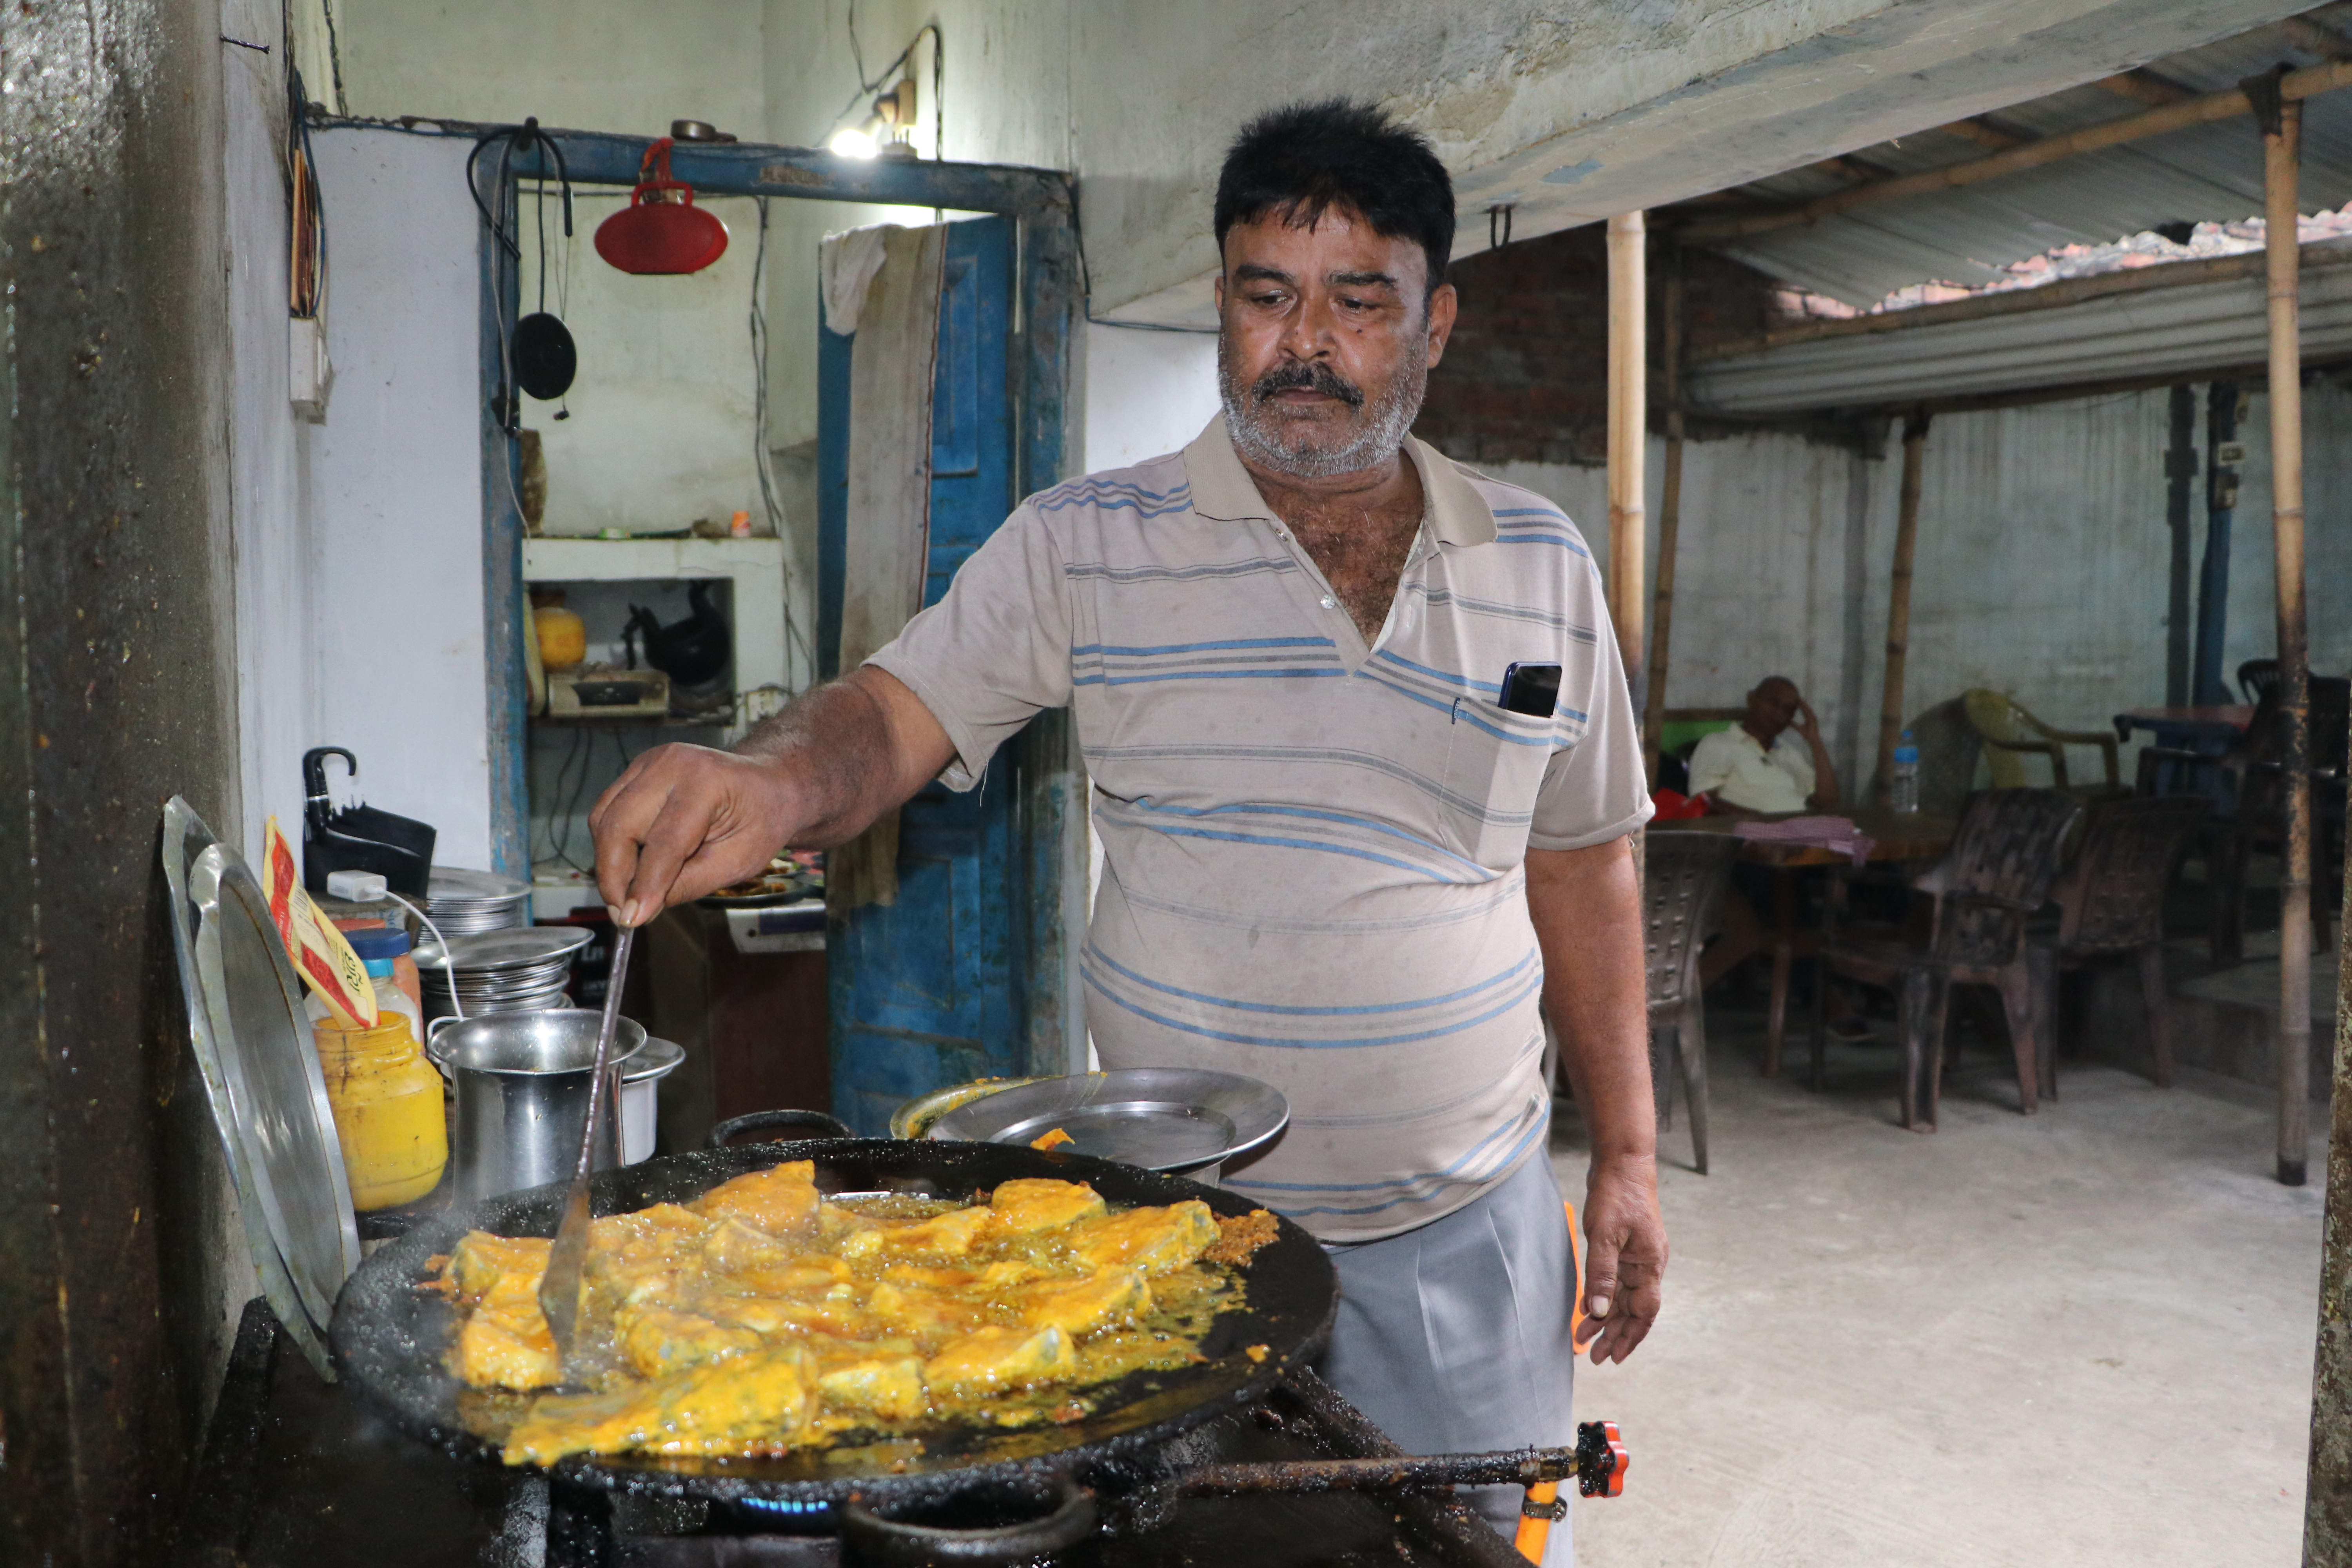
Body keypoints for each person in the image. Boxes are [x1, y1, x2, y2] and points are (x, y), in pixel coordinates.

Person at [588, 100, 1663, 1560]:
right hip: (1168, 1240)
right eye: (1266, 294)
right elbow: (894, 711)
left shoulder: (1539, 558)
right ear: (1220, 306)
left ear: (1433, 325)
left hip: (1457, 1233)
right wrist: (772, 778)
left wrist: (1631, 1155)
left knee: (1466, 1543)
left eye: (1359, 301)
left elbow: (1583, 854)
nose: (1306, 344)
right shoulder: (1082, 541)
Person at [1687, 675, 1840, 816]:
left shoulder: (1789, 754)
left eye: (1789, 710)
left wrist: (1816, 742)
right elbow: (1704, 802)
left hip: (1799, 836)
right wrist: (1765, 825)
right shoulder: (1717, 744)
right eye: (1774, 703)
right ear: (1751, 699)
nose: (1780, 714)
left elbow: (1828, 803)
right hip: (1750, 839)